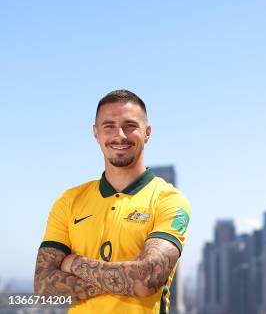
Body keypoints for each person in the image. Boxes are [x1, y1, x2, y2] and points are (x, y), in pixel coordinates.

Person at [34, 89, 191, 313]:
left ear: (147, 132)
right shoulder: (68, 200)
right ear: (96, 133)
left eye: (130, 126)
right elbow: (43, 286)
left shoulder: (169, 200)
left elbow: (146, 279)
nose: (120, 135)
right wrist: (126, 279)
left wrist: (72, 263)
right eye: (109, 126)